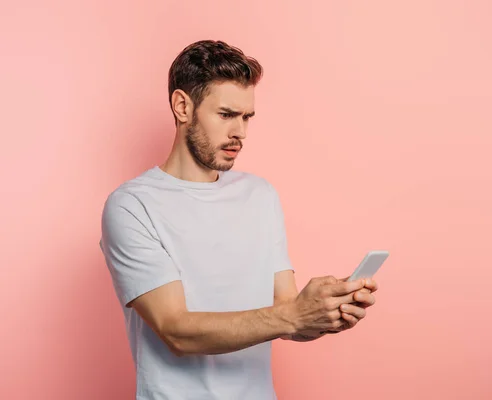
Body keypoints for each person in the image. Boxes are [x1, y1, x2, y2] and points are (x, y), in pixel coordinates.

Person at [99, 39, 378, 400]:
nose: (240, 133)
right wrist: (294, 316)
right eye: (227, 115)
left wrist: (324, 313)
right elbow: (176, 331)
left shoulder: (260, 196)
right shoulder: (132, 206)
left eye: (247, 117)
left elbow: (286, 313)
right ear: (182, 106)